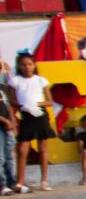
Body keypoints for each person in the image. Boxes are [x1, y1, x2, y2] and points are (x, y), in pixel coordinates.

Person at [4, 53, 53, 191]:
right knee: (22, 148)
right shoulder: (15, 81)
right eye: (23, 64)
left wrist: (37, 104)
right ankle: (20, 181)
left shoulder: (41, 80)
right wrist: (23, 105)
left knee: (42, 147)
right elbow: (12, 100)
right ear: (19, 66)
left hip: (40, 114)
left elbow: (49, 100)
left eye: (30, 64)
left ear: (34, 65)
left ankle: (44, 180)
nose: (27, 67)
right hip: (26, 115)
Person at [0, 74, 17, 194]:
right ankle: (2, 184)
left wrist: (12, 121)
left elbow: (9, 105)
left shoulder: (3, 87)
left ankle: (12, 183)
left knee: (10, 156)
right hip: (2, 125)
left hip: (8, 127)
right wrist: (5, 121)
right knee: (0, 157)